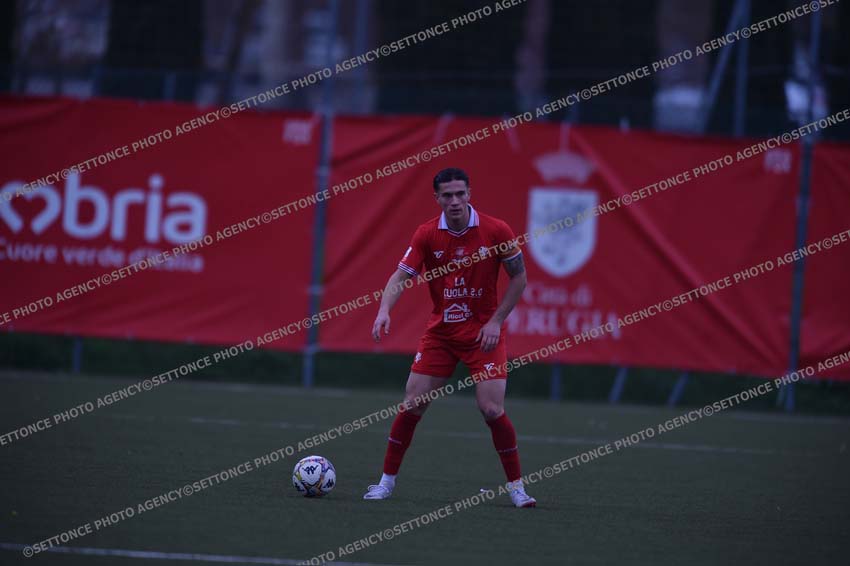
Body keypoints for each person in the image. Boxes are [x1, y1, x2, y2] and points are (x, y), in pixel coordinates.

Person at [363, 167, 536, 508]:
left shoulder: (496, 230)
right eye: (447, 195)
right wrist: (384, 310)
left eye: (460, 193)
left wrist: (496, 322)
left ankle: (517, 488)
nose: (454, 201)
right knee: (413, 404)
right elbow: (400, 276)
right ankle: (385, 483)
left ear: (469, 194)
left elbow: (519, 278)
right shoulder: (427, 234)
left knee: (491, 408)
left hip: (484, 335)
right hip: (442, 334)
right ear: (437, 198)